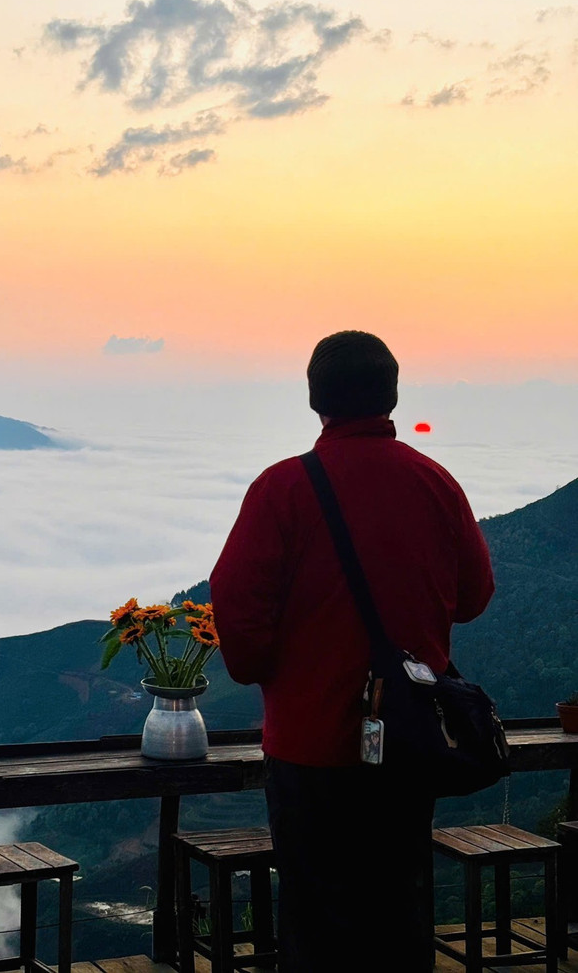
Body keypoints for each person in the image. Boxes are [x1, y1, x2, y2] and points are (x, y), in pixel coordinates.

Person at [209, 330, 494, 971]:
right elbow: (474, 595)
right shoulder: (435, 482)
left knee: (316, 920)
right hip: (409, 744)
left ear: (316, 399)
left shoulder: (283, 488)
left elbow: (237, 601)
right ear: (391, 395)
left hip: (309, 744)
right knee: (399, 908)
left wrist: (265, 671)